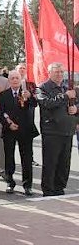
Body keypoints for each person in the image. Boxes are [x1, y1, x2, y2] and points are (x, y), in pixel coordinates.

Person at [35, 62, 79, 196]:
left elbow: (76, 103)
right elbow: (47, 103)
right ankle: (48, 190)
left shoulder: (68, 87)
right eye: (56, 72)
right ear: (50, 73)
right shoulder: (42, 88)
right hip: (52, 131)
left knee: (64, 163)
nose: (60, 74)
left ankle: (60, 187)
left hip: (67, 130)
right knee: (51, 162)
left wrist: (76, 108)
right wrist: (65, 96)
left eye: (61, 72)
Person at [0, 70, 39, 196]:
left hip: (25, 131)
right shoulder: (4, 95)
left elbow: (35, 104)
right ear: (9, 81)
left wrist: (30, 97)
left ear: (21, 80)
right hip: (10, 130)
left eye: (17, 78)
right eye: (12, 78)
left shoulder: (26, 93)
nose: (15, 80)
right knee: (9, 157)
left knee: (26, 158)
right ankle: (10, 183)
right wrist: (9, 124)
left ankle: (27, 185)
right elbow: (0, 113)